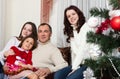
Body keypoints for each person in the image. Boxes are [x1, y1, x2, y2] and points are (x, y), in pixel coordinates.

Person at [54, 5, 88, 79]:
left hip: (89, 63)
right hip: (78, 64)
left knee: (71, 78)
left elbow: (82, 50)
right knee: (58, 75)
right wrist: (74, 67)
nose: (71, 17)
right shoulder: (73, 31)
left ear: (78, 14)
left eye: (73, 14)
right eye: (68, 16)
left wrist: (74, 68)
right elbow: (74, 53)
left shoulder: (86, 27)